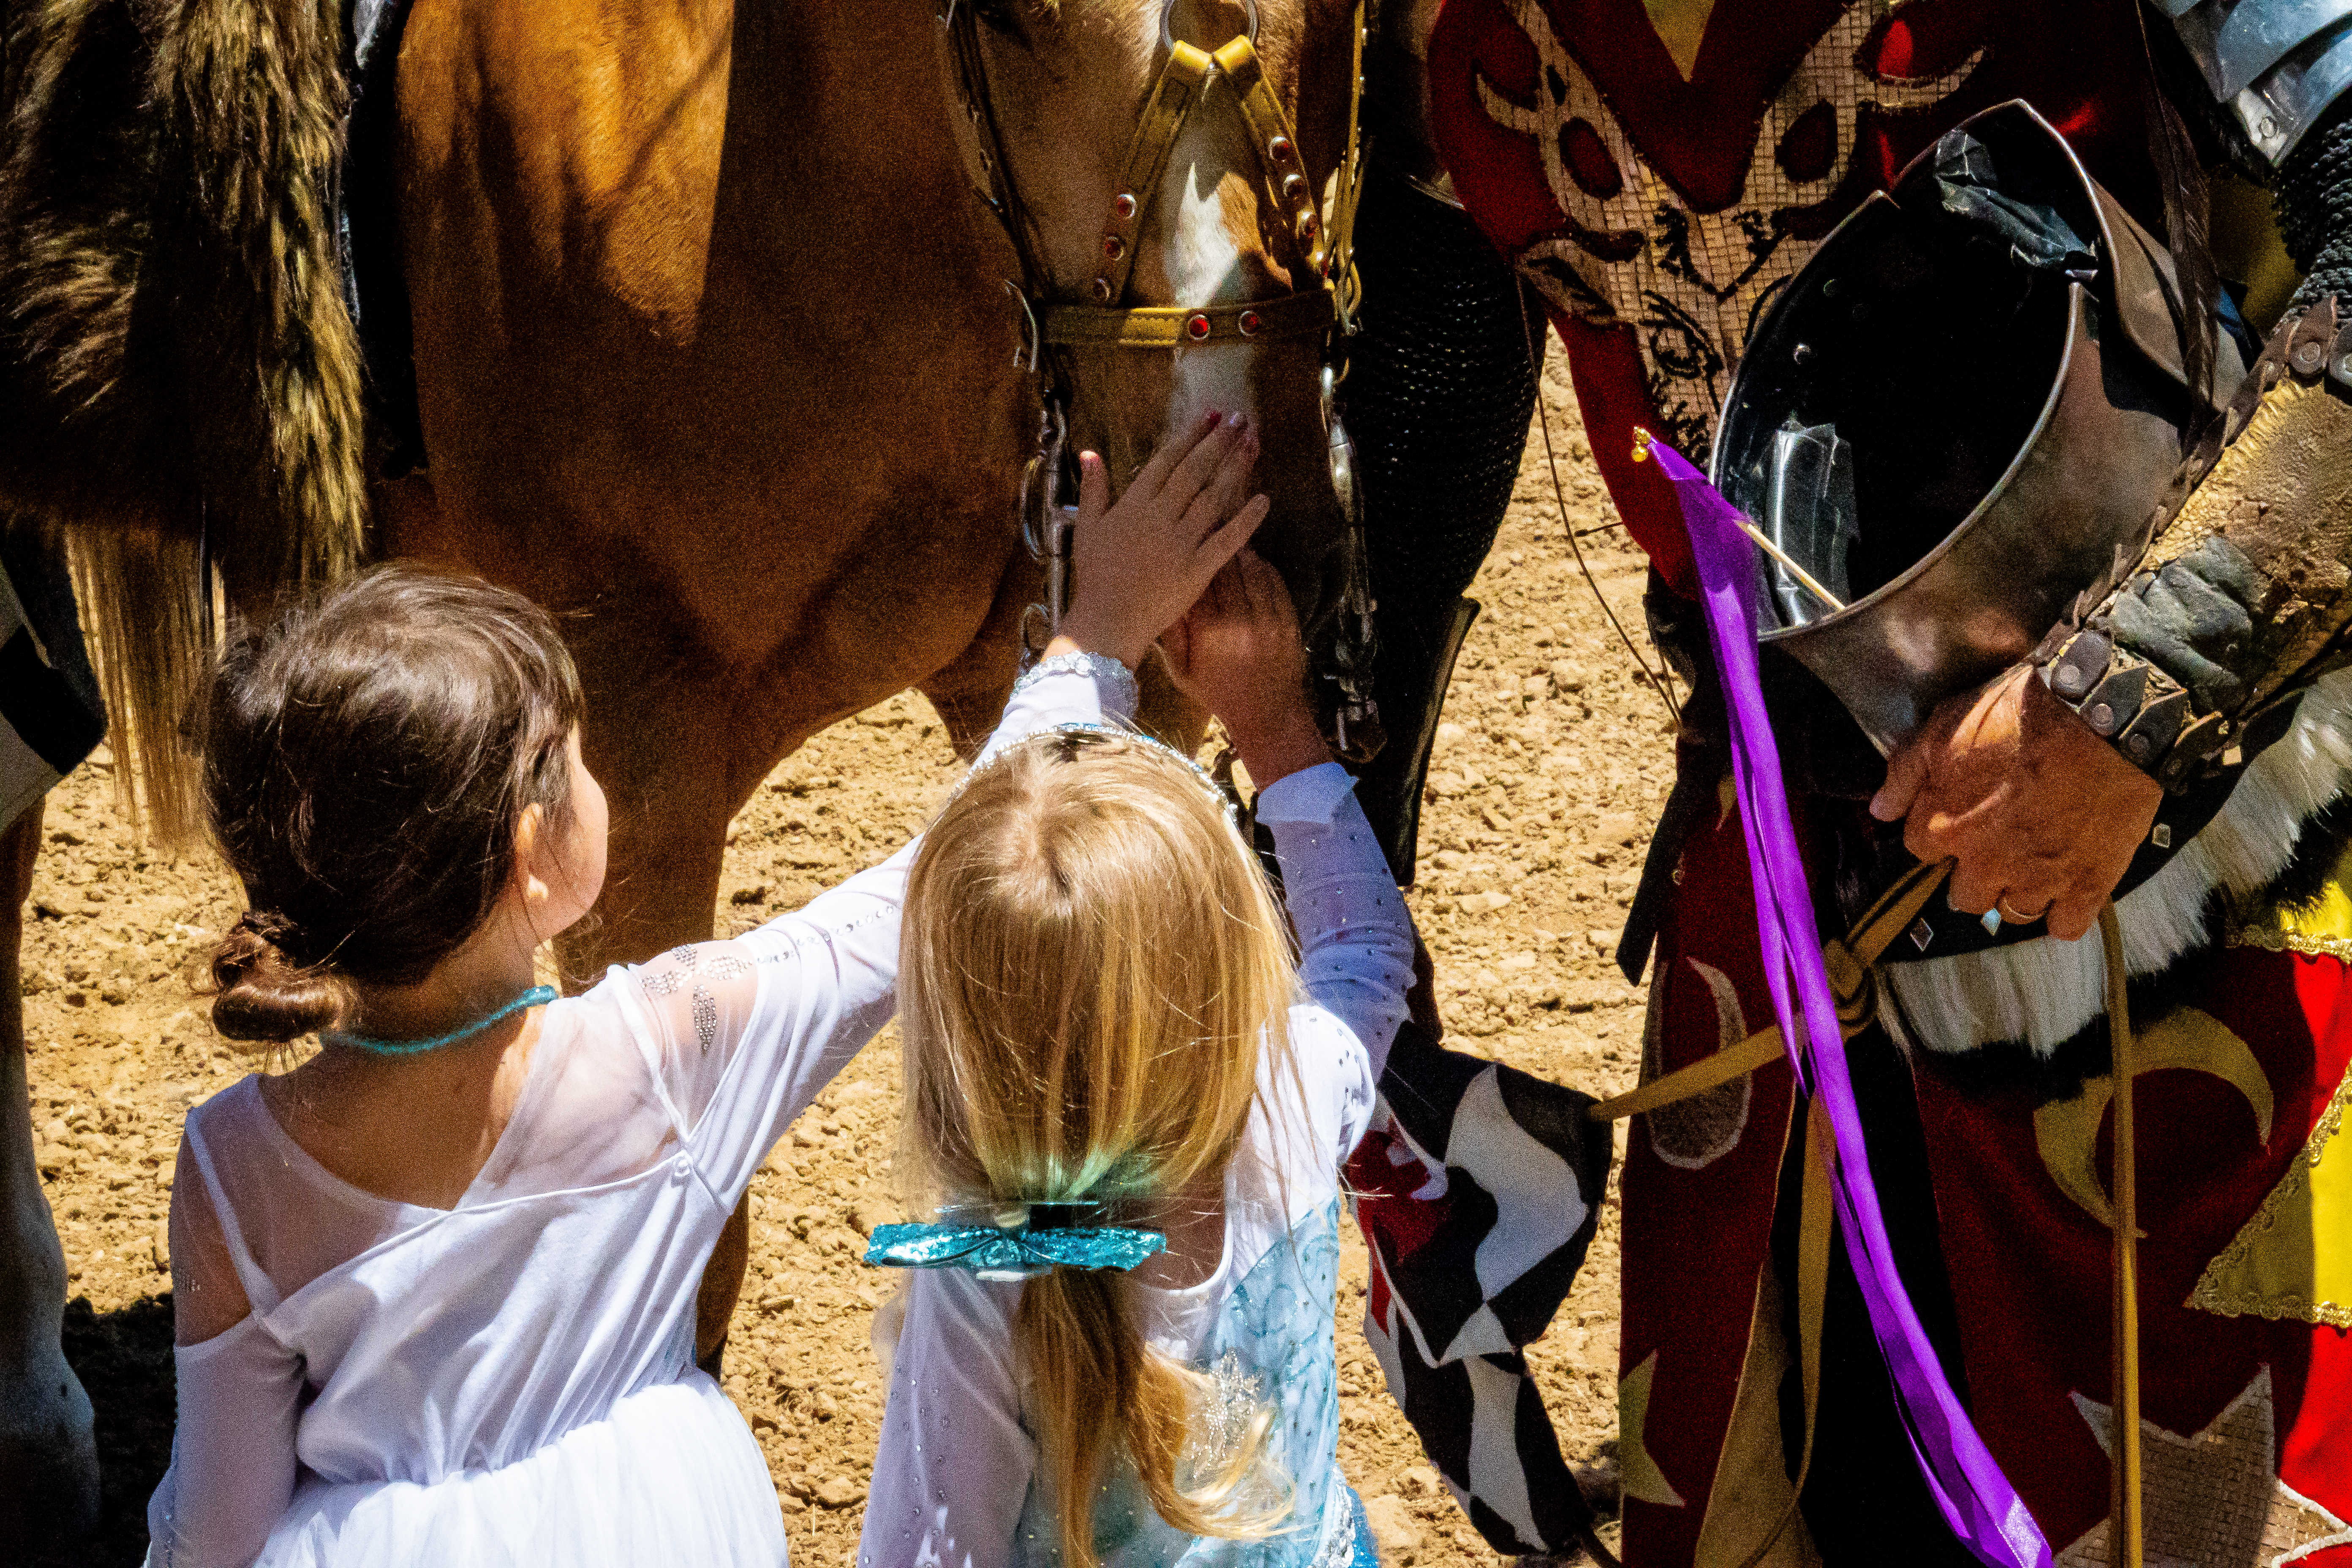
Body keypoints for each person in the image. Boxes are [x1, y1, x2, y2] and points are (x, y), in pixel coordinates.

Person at [1384, 1, 2352, 1561]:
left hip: (2184, 898)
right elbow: (1421, 343)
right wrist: (1350, 914)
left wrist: (2141, 690)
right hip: (1777, 912)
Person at [141, 410, 1271, 1568]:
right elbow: (927, 878)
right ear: (535, 854)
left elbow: (219, 1526)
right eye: (577, 756)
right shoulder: (672, 1047)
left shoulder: (233, 1166)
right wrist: (1093, 640)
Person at [855, 547, 1417, 1568]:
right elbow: (1366, 953)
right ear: (1228, 969)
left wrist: (1090, 637)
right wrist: (1273, 726)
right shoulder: (1286, 1103)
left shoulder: (988, 1274)